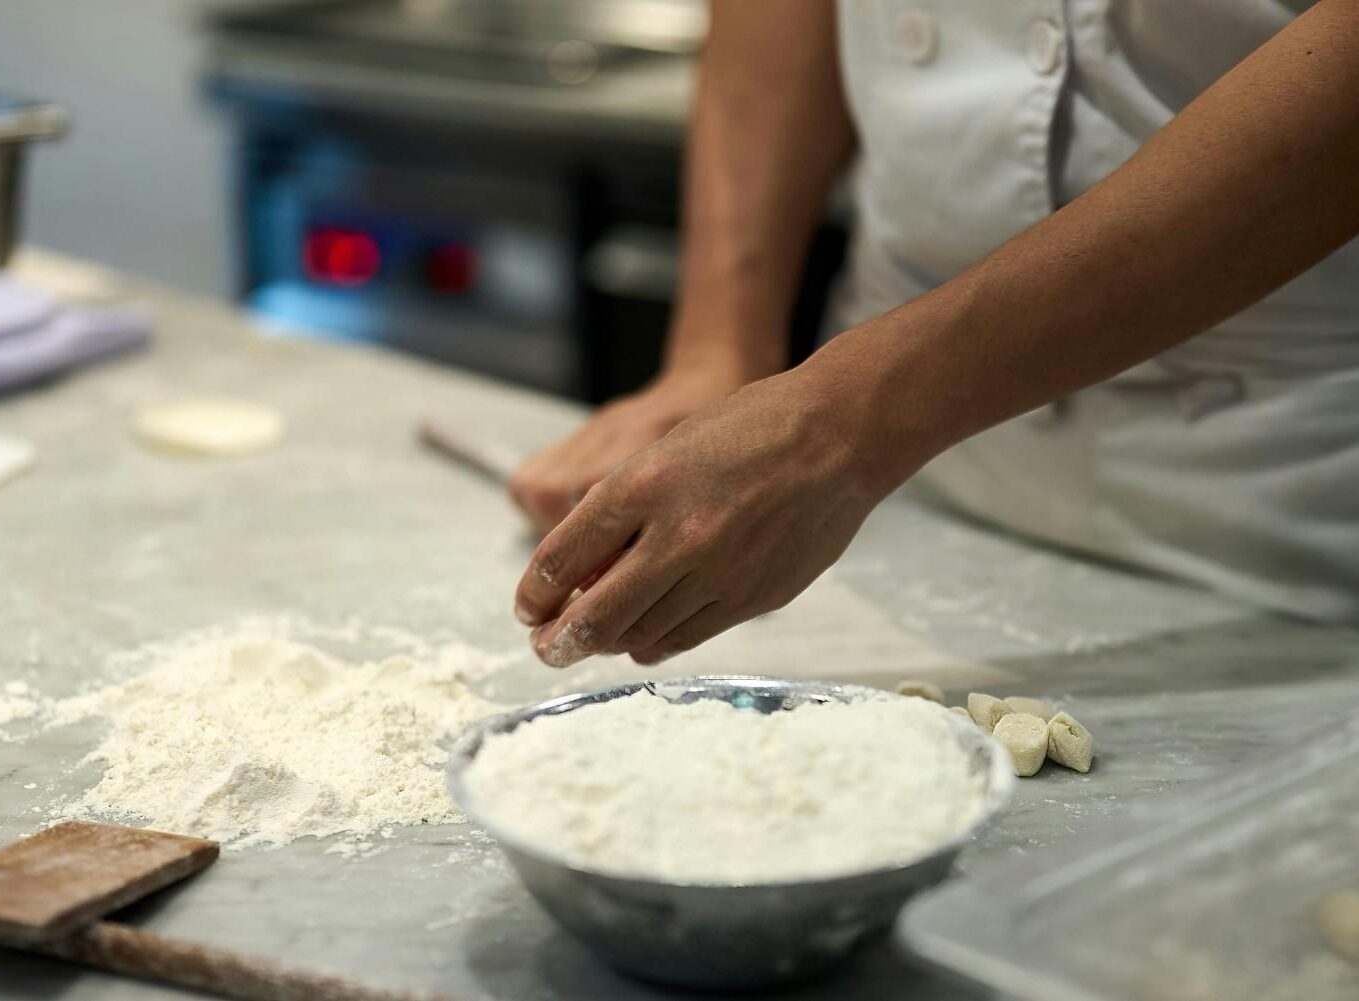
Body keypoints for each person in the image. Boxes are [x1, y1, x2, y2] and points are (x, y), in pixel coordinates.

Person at [509, 0, 1359, 668]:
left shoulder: (846, 435)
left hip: (1280, 484)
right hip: (896, 498)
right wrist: (715, 353)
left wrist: (848, 424)